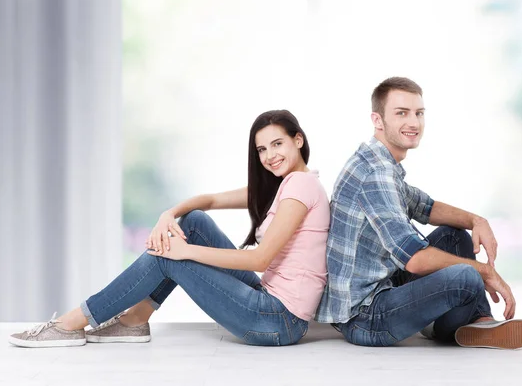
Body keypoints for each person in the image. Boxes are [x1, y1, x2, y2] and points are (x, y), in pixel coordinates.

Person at [9, 110, 330, 348]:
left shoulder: (301, 186)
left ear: (297, 140)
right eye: (262, 149)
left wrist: (184, 251)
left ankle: (73, 322)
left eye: (277, 144)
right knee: (194, 222)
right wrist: (169, 214)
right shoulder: (285, 185)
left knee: (168, 256)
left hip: (277, 321)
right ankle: (134, 320)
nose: (270, 156)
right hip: (270, 302)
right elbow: (211, 200)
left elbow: (260, 260)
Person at [314, 77, 522, 349]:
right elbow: (415, 261)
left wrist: (476, 220)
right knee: (466, 275)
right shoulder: (376, 174)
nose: (414, 123)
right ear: (377, 120)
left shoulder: (378, 160)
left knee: (455, 237)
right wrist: (485, 272)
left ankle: (480, 322)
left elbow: (425, 206)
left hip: (385, 286)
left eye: (418, 113)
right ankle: (455, 325)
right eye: (401, 113)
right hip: (364, 317)